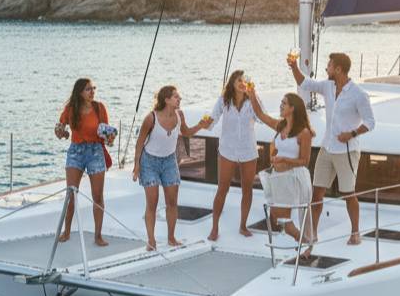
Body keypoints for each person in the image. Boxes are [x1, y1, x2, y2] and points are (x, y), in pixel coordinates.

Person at [289, 52, 375, 245]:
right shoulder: (328, 86)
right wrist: (294, 67)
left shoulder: (358, 94)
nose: (326, 68)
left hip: (347, 151)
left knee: (348, 194)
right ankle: (312, 235)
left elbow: (370, 122)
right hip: (327, 148)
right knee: (317, 193)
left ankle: (355, 233)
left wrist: (351, 134)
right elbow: (305, 83)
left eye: (329, 66)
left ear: (338, 69)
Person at [132, 85, 212, 250]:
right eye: (176, 97)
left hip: (169, 161)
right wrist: (136, 166)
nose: (179, 99)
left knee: (172, 202)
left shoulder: (179, 115)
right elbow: (140, 142)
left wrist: (200, 125)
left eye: (179, 96)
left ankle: (171, 237)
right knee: (152, 202)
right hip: (149, 162)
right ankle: (151, 240)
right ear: (166, 99)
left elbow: (187, 132)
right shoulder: (151, 118)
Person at [54, 78, 115, 247]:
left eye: (93, 88)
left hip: (95, 151)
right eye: (89, 89)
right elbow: (60, 130)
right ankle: (66, 232)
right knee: (71, 195)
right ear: (80, 92)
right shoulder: (70, 109)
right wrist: (61, 132)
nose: (92, 92)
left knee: (97, 196)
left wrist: (110, 138)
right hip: (76, 151)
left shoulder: (99, 108)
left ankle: (98, 236)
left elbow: (106, 133)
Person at [250, 89, 314, 245]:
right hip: (278, 178)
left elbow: (305, 161)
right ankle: (306, 244)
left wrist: (285, 159)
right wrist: (251, 94)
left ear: (292, 108)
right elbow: (260, 115)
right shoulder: (280, 126)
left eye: (284, 103)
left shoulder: (304, 133)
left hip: (292, 178)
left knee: (282, 218)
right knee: (277, 218)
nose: (280, 106)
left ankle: (306, 244)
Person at [207, 70, 260, 241]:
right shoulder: (224, 100)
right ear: (232, 82)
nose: (242, 82)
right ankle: (214, 227)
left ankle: (243, 225)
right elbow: (212, 119)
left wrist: (254, 97)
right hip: (228, 150)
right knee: (223, 188)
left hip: (248, 150)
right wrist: (200, 124)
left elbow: (261, 116)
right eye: (239, 79)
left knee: (247, 189)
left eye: (245, 80)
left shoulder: (252, 101)